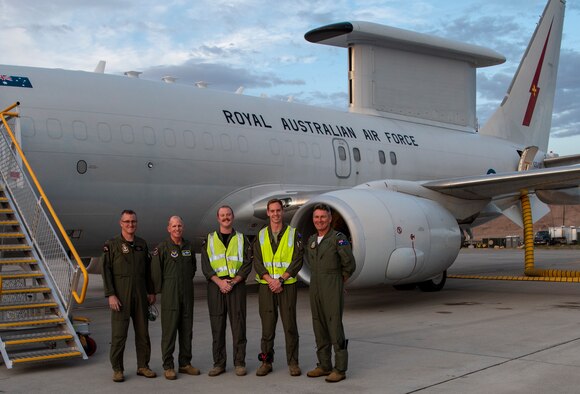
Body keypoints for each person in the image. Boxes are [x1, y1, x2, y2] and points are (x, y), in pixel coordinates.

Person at [101, 209, 157, 382]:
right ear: (121, 223)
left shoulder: (142, 244)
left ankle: (143, 366)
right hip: (121, 296)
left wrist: (151, 291)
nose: (130, 224)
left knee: (143, 334)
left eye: (133, 221)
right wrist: (111, 295)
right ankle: (117, 369)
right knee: (119, 335)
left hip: (140, 295)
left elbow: (148, 271)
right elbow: (106, 272)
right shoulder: (112, 245)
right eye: (127, 222)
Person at [305, 204, 356, 383]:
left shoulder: (338, 239)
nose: (319, 220)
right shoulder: (311, 240)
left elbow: (349, 263)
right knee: (318, 325)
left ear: (329, 218)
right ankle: (324, 365)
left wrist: (338, 280)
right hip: (315, 286)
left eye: (323, 217)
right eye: (316, 217)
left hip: (332, 284)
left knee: (334, 325)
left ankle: (340, 368)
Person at [253, 198, 303, 377]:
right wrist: (271, 281)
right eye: (272, 211)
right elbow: (257, 262)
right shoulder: (260, 235)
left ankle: (293, 362)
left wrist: (280, 280)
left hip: (287, 286)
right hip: (267, 287)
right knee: (267, 327)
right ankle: (266, 362)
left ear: (282, 212)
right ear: (267, 213)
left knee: (290, 326)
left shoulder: (293, 233)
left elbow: (297, 260)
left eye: (278, 211)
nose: (275, 214)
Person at [201, 206, 252, 377]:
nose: (225, 218)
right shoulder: (209, 239)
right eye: (222, 215)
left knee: (239, 326)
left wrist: (234, 281)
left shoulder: (241, 238)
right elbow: (206, 267)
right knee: (217, 327)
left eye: (228, 215)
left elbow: (246, 264)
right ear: (218, 218)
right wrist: (220, 282)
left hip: (236, 285)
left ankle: (239, 363)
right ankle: (219, 364)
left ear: (233, 217)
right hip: (216, 286)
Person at [151, 216, 200, 380]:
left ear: (183, 228)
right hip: (170, 295)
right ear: (168, 228)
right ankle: (168, 366)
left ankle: (185, 363)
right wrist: (157, 291)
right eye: (174, 226)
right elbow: (156, 273)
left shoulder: (188, 246)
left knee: (187, 331)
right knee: (169, 332)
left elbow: (192, 268)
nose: (177, 229)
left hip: (187, 294)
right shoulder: (162, 248)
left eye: (179, 226)